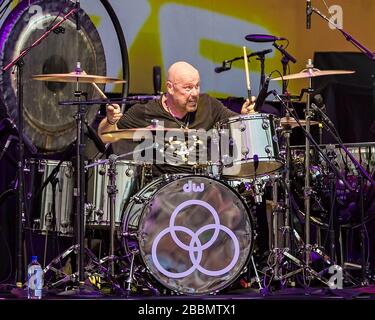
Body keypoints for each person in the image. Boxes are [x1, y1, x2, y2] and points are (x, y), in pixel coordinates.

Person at [98, 61, 256, 173]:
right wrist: (111, 120)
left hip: (204, 186)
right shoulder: (145, 110)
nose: (194, 93)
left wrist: (244, 116)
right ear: (170, 88)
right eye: (188, 88)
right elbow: (106, 136)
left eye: (197, 86)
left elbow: (238, 125)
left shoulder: (209, 105)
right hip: (163, 193)